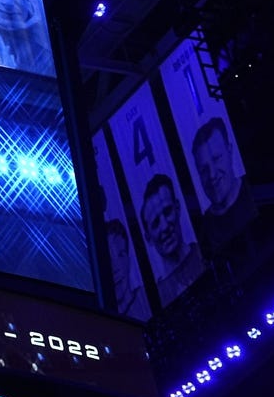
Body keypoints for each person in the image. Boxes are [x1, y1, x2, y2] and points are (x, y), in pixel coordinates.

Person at [190, 116, 255, 251]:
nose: (212, 175)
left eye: (216, 159)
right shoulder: (204, 235)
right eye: (204, 170)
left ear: (230, 151)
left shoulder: (256, 190)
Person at [139, 173, 204, 304]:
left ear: (178, 208)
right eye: (156, 222)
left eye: (167, 211)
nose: (164, 227)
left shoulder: (205, 252)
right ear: (148, 238)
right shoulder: (158, 296)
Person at [105, 220, 151, 320]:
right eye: (107, 260)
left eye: (121, 255)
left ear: (128, 259)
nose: (115, 267)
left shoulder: (149, 298)